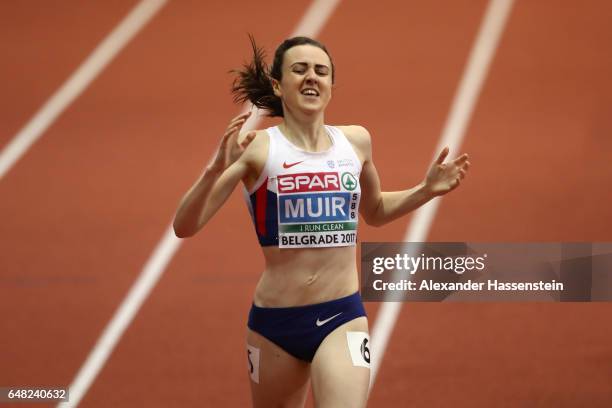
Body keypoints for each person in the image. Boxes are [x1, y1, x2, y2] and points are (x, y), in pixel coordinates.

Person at [173, 35, 470, 408]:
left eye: (321, 71)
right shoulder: (259, 148)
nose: (312, 77)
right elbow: (185, 226)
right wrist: (215, 167)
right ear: (279, 86)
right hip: (274, 326)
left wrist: (425, 190)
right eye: (300, 70)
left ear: (331, 86)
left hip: (341, 315)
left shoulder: (356, 142)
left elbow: (374, 211)